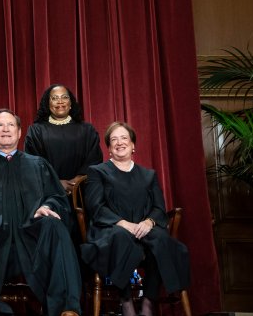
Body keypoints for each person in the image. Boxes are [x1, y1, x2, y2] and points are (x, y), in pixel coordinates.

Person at [0, 109, 82, 316]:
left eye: (11, 125)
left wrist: (47, 206)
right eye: (0, 126)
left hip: (33, 237)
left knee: (54, 225)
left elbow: (57, 197)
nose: (5, 129)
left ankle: (65, 309)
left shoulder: (38, 165)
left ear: (20, 132)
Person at [80, 122, 190, 316]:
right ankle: (126, 301)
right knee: (120, 238)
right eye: (114, 139)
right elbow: (95, 206)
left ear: (133, 145)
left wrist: (148, 223)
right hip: (111, 228)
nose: (119, 142)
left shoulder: (148, 175)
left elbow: (158, 207)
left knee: (162, 240)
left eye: (124, 138)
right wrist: (123, 223)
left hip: (143, 228)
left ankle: (148, 302)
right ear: (109, 148)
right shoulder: (98, 172)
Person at [24, 84, 102, 197]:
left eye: (64, 97)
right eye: (54, 98)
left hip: (82, 191)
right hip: (48, 193)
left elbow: (94, 158)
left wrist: (77, 180)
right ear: (48, 103)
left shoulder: (87, 130)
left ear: (71, 103)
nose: (60, 101)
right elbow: (32, 163)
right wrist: (57, 183)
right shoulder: (36, 131)